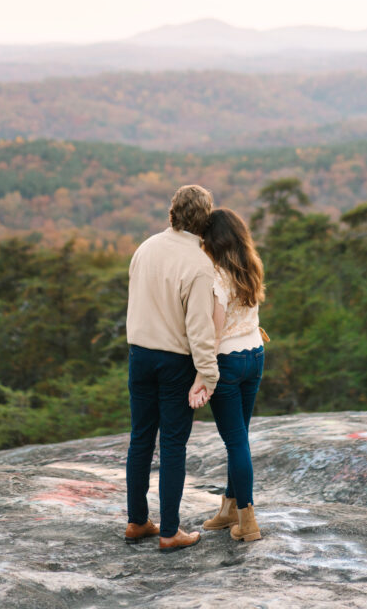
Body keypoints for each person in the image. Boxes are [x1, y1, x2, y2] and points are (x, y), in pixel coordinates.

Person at [125, 184, 219, 552]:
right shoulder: (199, 265)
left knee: (141, 439)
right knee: (174, 445)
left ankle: (136, 521)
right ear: (206, 220)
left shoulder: (145, 247)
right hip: (175, 361)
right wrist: (208, 374)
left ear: (172, 213)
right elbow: (199, 328)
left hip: (139, 354)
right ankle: (170, 532)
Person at [190, 207, 266, 543]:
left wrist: (202, 373)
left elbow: (215, 330)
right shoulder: (251, 264)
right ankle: (229, 509)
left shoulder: (218, 276)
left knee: (235, 442)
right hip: (255, 355)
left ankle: (247, 521)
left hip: (228, 361)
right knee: (240, 439)